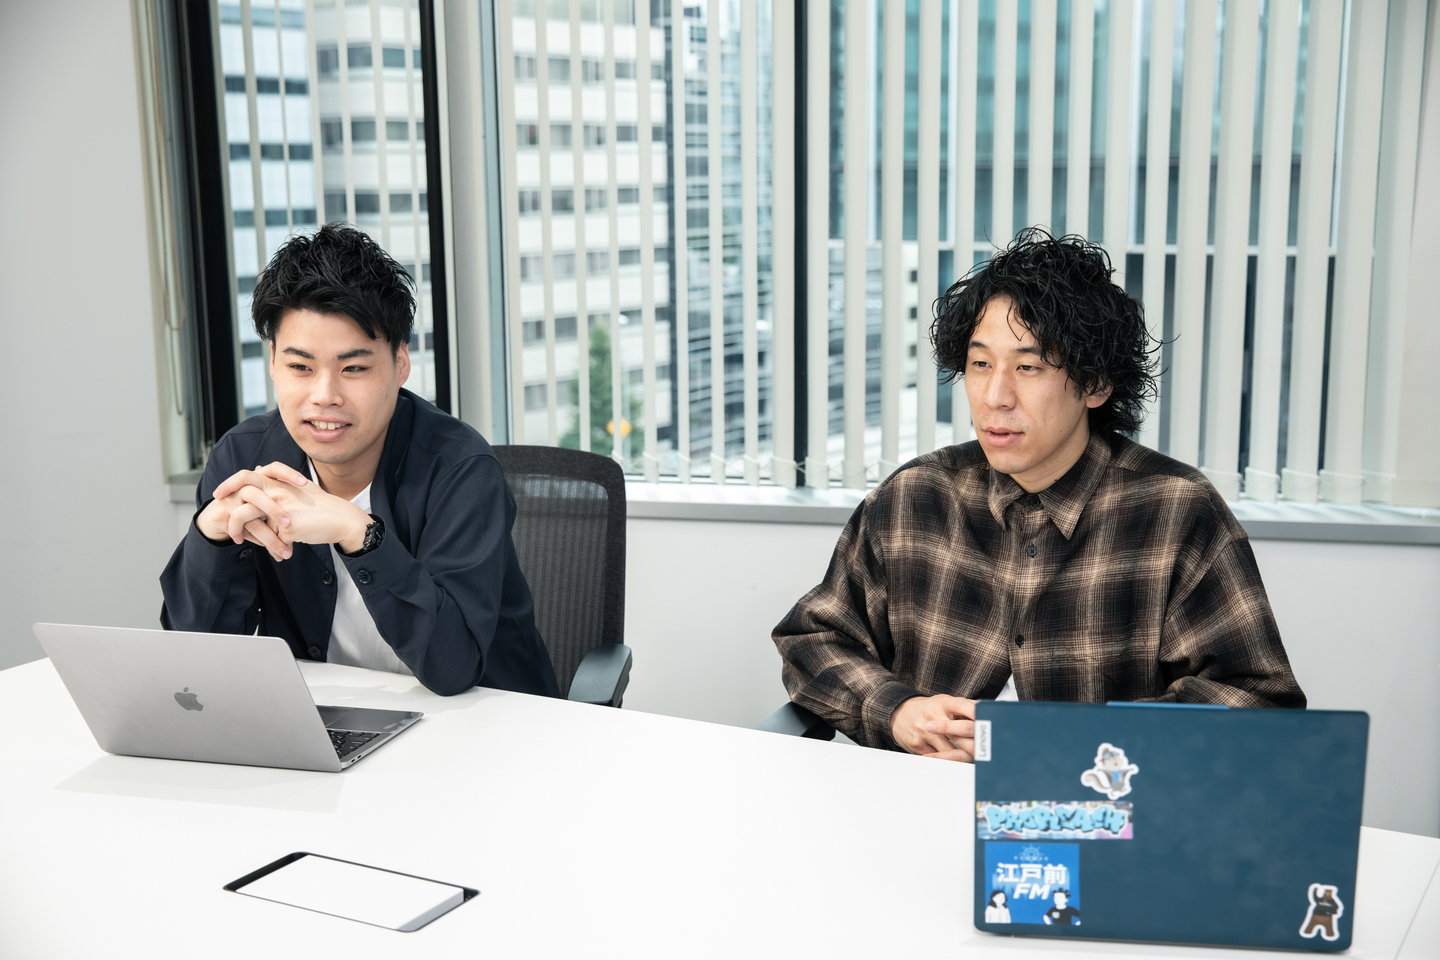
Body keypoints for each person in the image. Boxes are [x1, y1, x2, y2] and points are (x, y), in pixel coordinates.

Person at [772, 229, 1305, 759]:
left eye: (1027, 367)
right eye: (980, 364)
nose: (994, 397)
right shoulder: (916, 497)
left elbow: (1257, 703)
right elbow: (813, 640)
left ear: (1096, 384)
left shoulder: (1176, 510)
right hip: (928, 793)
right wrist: (897, 711)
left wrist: (1064, 742)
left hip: (1093, 797)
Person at [161, 223, 558, 698]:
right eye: (300, 367)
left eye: (353, 368)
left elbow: (453, 667)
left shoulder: (460, 469)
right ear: (272, 362)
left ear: (400, 364)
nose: (324, 396)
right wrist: (211, 537)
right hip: (326, 718)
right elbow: (194, 662)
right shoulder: (244, 459)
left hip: (489, 721)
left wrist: (359, 534)